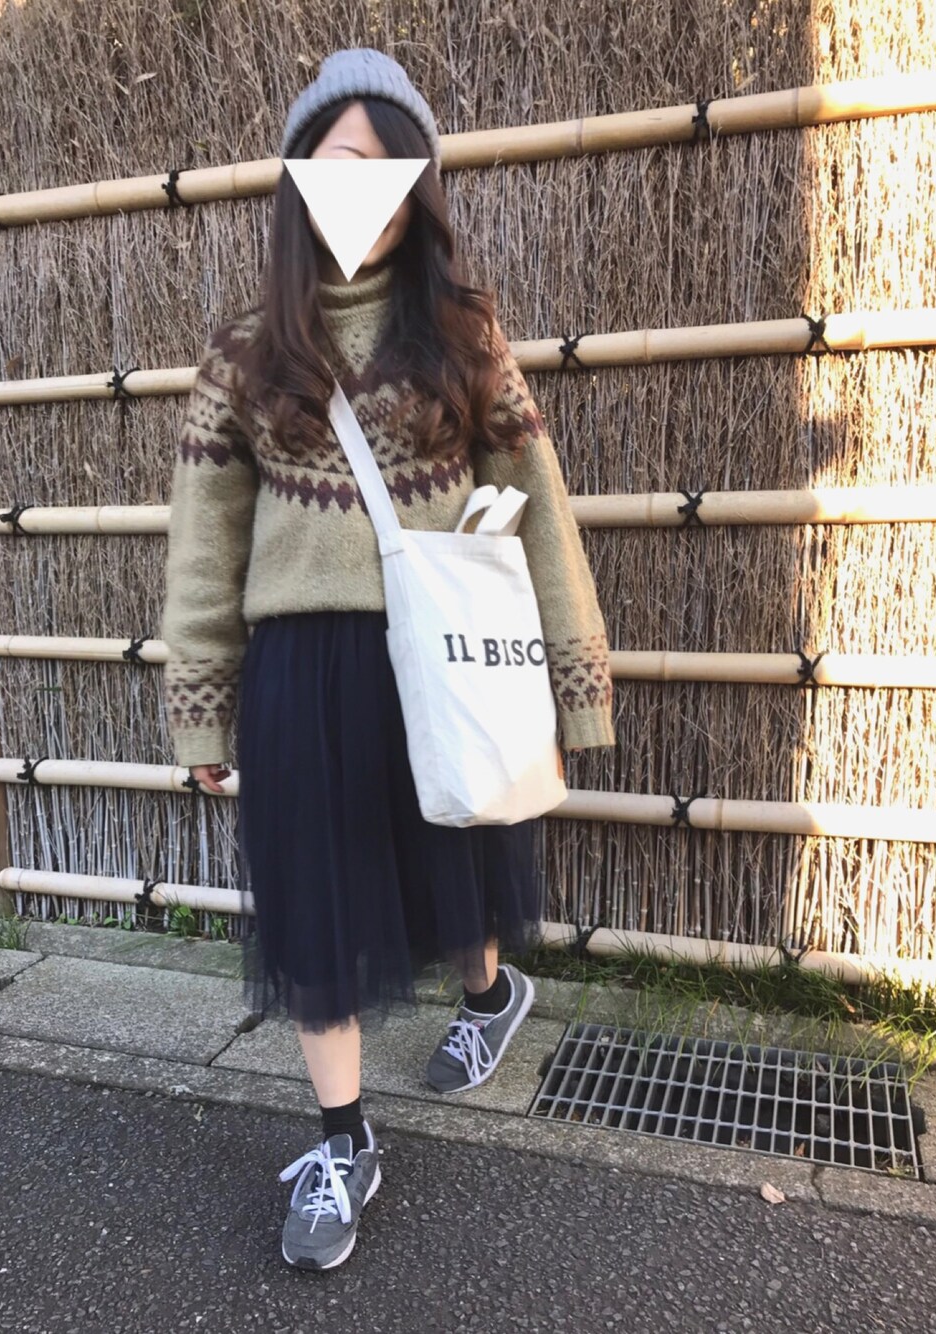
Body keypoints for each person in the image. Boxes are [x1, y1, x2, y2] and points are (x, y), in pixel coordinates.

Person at [160, 48, 615, 1272]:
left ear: (417, 193)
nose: (359, 187)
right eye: (335, 161)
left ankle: (488, 994)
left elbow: (538, 500)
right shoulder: (246, 348)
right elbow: (204, 540)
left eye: (383, 168)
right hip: (300, 669)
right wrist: (199, 706)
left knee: (452, 856)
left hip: (442, 653)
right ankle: (342, 1138)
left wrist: (576, 679)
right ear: (297, 175)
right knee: (314, 900)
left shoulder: (461, 333)